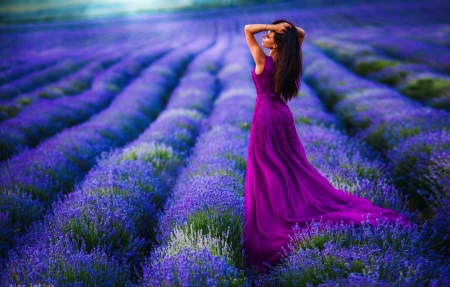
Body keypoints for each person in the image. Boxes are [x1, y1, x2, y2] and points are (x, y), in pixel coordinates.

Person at [242, 20, 410, 274]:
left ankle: (277, 215)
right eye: (266, 33)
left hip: (265, 118)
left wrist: (273, 27)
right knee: (291, 167)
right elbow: (300, 33)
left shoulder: (263, 61)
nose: (265, 35)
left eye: (269, 35)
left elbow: (246, 29)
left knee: (269, 171)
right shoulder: (289, 60)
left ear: (277, 42)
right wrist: (282, 31)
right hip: (282, 116)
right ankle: (289, 205)